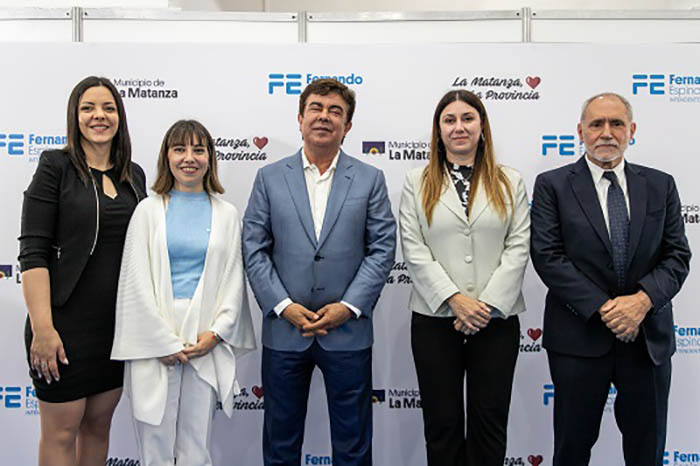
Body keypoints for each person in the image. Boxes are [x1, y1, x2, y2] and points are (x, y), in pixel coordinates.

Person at [530, 92, 691, 466]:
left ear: (631, 130)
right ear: (580, 131)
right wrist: (607, 309)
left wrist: (641, 302)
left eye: (616, 123)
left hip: (647, 340)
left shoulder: (661, 185)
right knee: (571, 449)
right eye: (596, 124)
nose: (606, 132)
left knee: (647, 451)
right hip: (578, 338)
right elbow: (548, 257)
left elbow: (677, 256)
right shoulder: (553, 185)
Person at [242, 78, 396, 466]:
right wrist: (283, 306)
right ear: (300, 118)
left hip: (348, 332)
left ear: (347, 126)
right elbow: (254, 248)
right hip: (285, 330)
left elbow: (382, 249)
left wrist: (348, 306)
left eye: (335, 111)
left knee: (353, 447)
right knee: (280, 445)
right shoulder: (269, 177)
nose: (324, 117)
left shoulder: (370, 179)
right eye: (316, 108)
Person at [111, 119, 256, 466]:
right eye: (180, 149)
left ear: (210, 158)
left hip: (204, 338)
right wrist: (159, 340)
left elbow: (233, 281)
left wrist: (216, 333)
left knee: (196, 443)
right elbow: (134, 281)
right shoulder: (147, 211)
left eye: (198, 150)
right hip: (154, 339)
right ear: (167, 157)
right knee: (154, 445)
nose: (189, 158)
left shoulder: (227, 214)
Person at [19, 76, 147, 466]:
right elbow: (33, 253)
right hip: (62, 327)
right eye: (88, 108)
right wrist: (43, 329)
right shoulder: (55, 167)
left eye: (108, 108)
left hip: (114, 330)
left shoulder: (134, 176)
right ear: (74, 117)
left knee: (97, 428)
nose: (99, 116)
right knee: (60, 434)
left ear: (120, 117)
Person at [399, 90, 530, 466]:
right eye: (450, 120)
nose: (459, 127)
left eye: (468, 118)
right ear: (438, 130)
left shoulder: (510, 181)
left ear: (482, 126)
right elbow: (414, 248)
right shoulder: (416, 181)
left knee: (490, 424)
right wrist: (455, 300)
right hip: (435, 319)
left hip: (496, 320)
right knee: (442, 426)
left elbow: (518, 246)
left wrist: (484, 306)